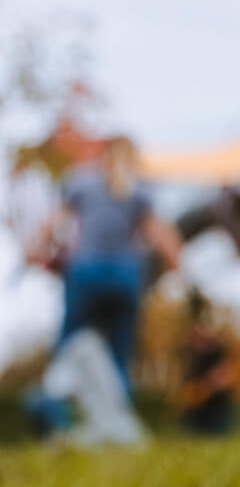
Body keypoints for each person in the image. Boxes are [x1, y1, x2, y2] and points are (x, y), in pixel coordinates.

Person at [51, 136, 181, 394]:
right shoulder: (140, 191)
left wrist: (43, 250)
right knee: (120, 350)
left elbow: (55, 225)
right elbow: (159, 234)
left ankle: (54, 410)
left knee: (69, 343)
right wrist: (179, 267)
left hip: (85, 273)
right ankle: (120, 415)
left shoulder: (81, 182)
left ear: (104, 155)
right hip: (125, 277)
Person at [179, 290, 234, 437]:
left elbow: (224, 379)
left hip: (214, 412)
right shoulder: (192, 354)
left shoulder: (219, 352)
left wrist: (206, 387)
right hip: (197, 413)